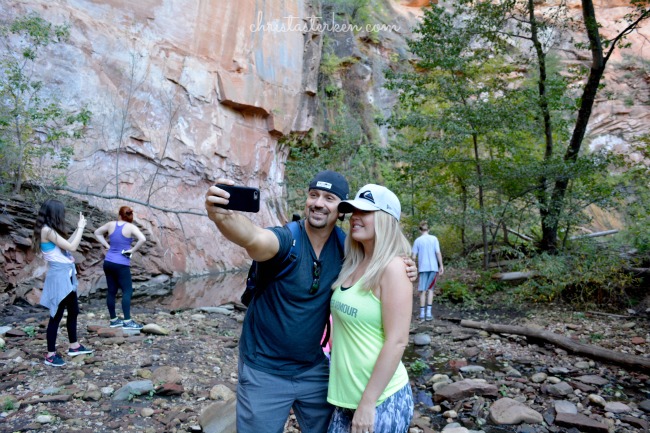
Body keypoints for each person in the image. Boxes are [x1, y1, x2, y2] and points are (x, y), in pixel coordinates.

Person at [204, 171, 417, 433]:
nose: (318, 203)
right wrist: (223, 217)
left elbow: (383, 260)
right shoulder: (288, 240)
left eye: (329, 198)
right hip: (265, 369)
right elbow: (253, 238)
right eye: (313, 195)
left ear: (340, 210)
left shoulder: (346, 249)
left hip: (315, 370)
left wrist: (404, 266)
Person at [328, 184, 414, 433]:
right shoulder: (353, 263)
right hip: (346, 399)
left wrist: (367, 403)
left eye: (365, 211)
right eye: (353, 211)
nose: (355, 216)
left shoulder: (394, 268)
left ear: (386, 220)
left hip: (380, 400)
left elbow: (397, 341)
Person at [34, 199, 94, 367]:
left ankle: (74, 346)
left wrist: (78, 227)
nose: (63, 215)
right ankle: (50, 355)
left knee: (73, 311)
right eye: (61, 212)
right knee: (56, 316)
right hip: (59, 277)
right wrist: (81, 228)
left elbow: (67, 245)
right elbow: (73, 247)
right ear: (55, 214)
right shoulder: (46, 231)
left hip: (66, 276)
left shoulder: (50, 230)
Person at [93, 206, 147, 330]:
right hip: (121, 263)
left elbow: (97, 233)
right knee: (127, 291)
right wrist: (132, 250)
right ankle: (127, 321)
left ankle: (114, 320)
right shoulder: (131, 227)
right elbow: (142, 239)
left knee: (111, 291)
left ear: (119, 215)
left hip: (108, 262)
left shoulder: (111, 224)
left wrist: (107, 245)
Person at [412, 220, 444, 321]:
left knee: (422, 291)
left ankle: (422, 314)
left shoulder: (417, 241)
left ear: (420, 230)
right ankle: (429, 314)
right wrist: (441, 265)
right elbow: (438, 252)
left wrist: (413, 266)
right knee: (430, 290)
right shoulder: (434, 239)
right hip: (433, 267)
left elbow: (413, 256)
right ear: (428, 229)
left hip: (423, 268)